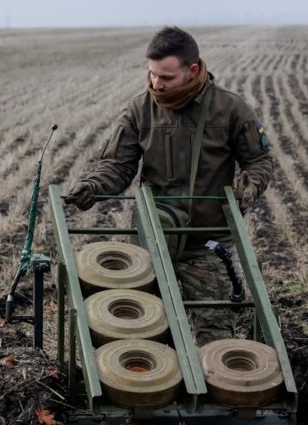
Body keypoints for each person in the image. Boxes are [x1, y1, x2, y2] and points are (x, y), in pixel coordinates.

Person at [65, 26, 273, 345]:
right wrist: (92, 186)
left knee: (216, 339)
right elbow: (118, 166)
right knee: (139, 336)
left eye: (166, 78)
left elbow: (259, 161)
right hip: (153, 242)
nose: (157, 85)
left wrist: (250, 186)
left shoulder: (231, 109)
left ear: (192, 70)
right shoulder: (138, 110)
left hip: (207, 245)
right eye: (152, 75)